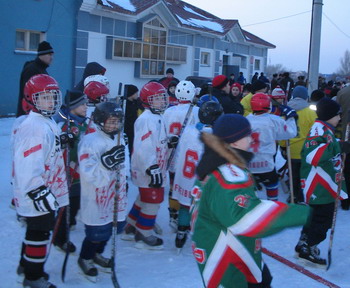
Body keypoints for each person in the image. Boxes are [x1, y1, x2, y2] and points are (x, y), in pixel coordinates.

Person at [190, 113, 310, 288]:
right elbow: (246, 218)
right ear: (235, 142)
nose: (252, 139)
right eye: (247, 135)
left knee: (263, 278)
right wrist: (304, 213)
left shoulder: (211, 165)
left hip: (228, 245)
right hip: (225, 254)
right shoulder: (229, 174)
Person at [12, 74, 69, 288]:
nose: (50, 102)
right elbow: (27, 164)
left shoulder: (46, 121)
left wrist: (61, 140)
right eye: (43, 97)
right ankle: (33, 277)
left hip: (46, 187)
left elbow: (46, 150)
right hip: (37, 193)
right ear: (31, 100)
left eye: (52, 97)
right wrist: (38, 190)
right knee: (39, 234)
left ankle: (24, 266)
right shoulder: (34, 127)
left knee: (34, 231)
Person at [295, 97, 348, 267]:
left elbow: (328, 144)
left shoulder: (325, 129)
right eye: (337, 115)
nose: (340, 118)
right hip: (320, 185)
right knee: (322, 220)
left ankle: (304, 242)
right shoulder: (319, 130)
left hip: (323, 185)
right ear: (329, 115)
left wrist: (342, 144)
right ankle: (309, 247)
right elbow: (313, 155)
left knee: (314, 217)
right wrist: (339, 147)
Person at [77, 101, 126, 280]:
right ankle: (86, 257)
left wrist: (124, 179)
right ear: (99, 121)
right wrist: (105, 164)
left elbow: (123, 164)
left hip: (115, 193)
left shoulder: (120, 138)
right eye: (110, 121)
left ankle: (97, 253)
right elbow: (87, 170)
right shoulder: (90, 141)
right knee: (96, 232)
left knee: (110, 228)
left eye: (117, 121)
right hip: (97, 196)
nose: (114, 125)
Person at [172, 97, 223, 249]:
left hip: (185, 178)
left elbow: (180, 152)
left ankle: (181, 233)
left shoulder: (188, 131)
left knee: (185, 206)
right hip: (201, 181)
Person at [123, 82, 169, 249]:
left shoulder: (156, 117)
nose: (162, 101)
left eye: (162, 97)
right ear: (147, 100)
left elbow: (156, 140)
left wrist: (168, 141)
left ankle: (130, 225)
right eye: (157, 98)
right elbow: (144, 147)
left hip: (154, 166)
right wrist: (151, 167)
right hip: (147, 169)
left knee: (143, 197)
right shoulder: (146, 119)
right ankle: (144, 232)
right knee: (152, 199)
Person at [52, 89, 89, 252]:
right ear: (73, 106)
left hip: (82, 174)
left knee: (75, 205)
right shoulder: (65, 124)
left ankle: (68, 223)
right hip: (68, 175)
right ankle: (59, 237)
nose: (86, 107)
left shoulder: (83, 122)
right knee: (66, 207)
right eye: (82, 104)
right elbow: (59, 150)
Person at [247, 93, 298, 201]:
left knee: (250, 191)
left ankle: (252, 209)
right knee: (272, 185)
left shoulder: (246, 120)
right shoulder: (274, 120)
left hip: (249, 164)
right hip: (266, 164)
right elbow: (291, 133)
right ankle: (272, 205)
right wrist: (290, 118)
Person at [163, 80, 199, 231]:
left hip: (171, 154)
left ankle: (173, 215)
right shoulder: (196, 111)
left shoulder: (168, 111)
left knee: (173, 187)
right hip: (188, 156)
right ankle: (188, 217)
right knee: (187, 187)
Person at [280, 86, 317, 203]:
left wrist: (282, 146)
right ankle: (305, 194)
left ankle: (294, 195)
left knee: (293, 175)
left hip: (291, 148)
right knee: (305, 175)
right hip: (307, 149)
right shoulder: (311, 113)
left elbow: (282, 131)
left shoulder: (286, 111)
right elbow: (315, 132)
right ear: (306, 97)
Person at [17, 41, 54, 117]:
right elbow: (28, 95)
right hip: (29, 115)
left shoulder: (41, 69)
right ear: (42, 55)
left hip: (37, 114)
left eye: (52, 55)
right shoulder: (31, 70)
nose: (52, 58)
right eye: (49, 54)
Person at [336, 84, 350, 210]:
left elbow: (337, 113)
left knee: (345, 169)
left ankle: (345, 199)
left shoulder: (342, 93)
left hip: (346, 135)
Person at [124, 84, 143, 159]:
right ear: (131, 94)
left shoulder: (136, 102)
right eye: (136, 93)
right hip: (129, 130)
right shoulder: (126, 105)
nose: (137, 95)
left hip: (136, 130)